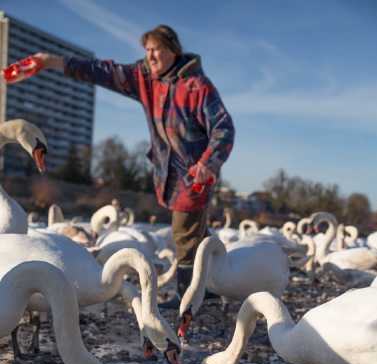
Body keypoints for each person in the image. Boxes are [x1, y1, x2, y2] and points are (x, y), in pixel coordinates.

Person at [31, 24, 235, 308]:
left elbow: (223, 128)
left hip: (194, 172)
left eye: (158, 50)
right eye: (147, 50)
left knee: (184, 230)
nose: (151, 56)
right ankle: (214, 286)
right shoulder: (144, 78)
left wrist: (207, 163)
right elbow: (102, 71)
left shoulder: (197, 86)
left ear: (173, 51)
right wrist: (53, 62)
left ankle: (188, 298)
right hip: (168, 172)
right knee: (196, 232)